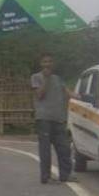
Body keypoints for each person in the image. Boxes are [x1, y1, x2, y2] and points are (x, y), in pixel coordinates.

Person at [31, 53, 80, 184]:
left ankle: (65, 175)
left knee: (64, 148)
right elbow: (39, 95)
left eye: (50, 61)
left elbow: (68, 93)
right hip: (44, 119)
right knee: (45, 150)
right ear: (41, 64)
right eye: (45, 62)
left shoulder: (58, 79)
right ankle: (46, 176)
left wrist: (83, 97)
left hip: (59, 119)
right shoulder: (36, 77)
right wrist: (46, 79)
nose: (47, 64)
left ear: (53, 63)